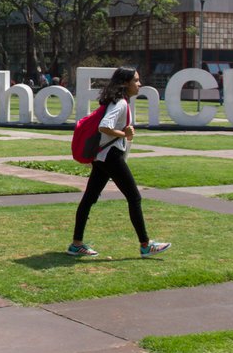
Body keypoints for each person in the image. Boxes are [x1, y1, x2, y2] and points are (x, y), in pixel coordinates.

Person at [68, 66, 171, 258]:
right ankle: (145, 245)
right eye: (136, 80)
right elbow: (104, 126)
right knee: (134, 197)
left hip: (102, 157)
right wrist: (124, 133)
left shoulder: (116, 101)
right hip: (111, 156)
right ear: (125, 83)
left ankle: (76, 244)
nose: (139, 84)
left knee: (89, 199)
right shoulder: (121, 103)